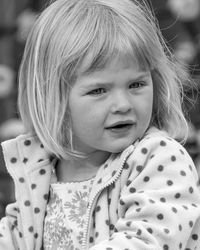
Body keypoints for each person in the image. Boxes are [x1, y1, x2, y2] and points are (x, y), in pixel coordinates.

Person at [0, 0, 200, 249]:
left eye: (136, 84)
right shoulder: (39, 169)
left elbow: (147, 240)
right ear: (53, 98)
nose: (122, 104)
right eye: (98, 90)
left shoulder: (159, 158)